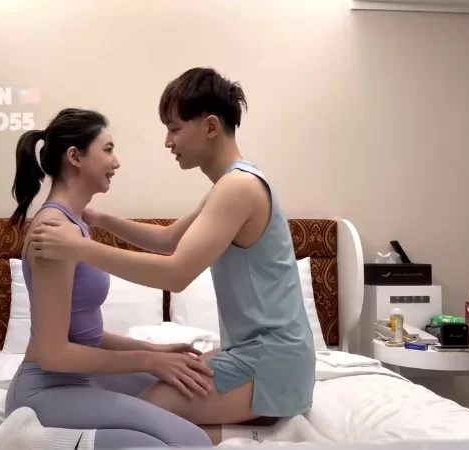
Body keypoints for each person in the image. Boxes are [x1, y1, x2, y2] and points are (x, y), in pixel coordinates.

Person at [28, 68, 318, 445]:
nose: (168, 141)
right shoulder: (233, 183)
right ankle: (239, 430)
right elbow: (168, 240)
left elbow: (176, 273)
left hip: (273, 362)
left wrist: (81, 247)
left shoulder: (238, 188)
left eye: (175, 128)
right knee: (173, 377)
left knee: (145, 413)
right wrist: (101, 219)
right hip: (267, 354)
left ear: (210, 126)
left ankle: (244, 434)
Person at [5, 107, 215, 449]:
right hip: (47, 390)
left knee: (187, 407)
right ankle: (26, 438)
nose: (116, 162)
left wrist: (154, 351)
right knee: (190, 443)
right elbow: (52, 353)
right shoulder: (53, 231)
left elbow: (85, 334)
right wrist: (148, 360)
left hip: (83, 378)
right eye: (108, 149)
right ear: (75, 157)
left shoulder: (74, 226)